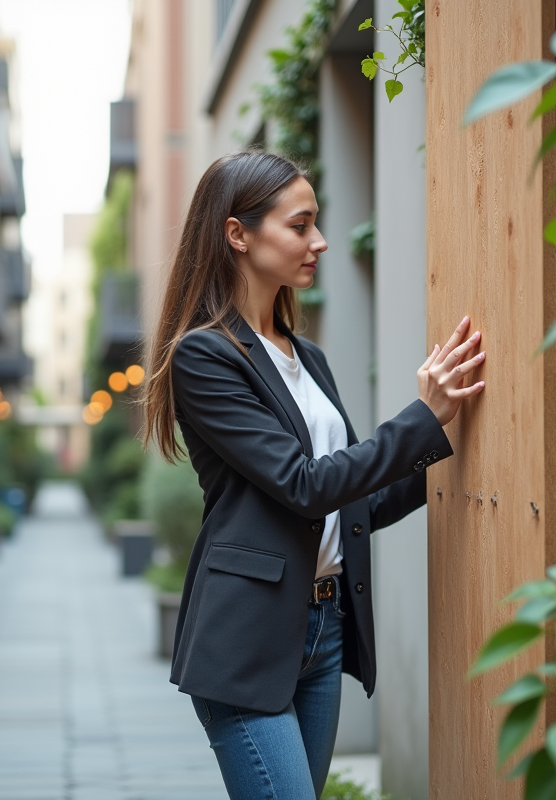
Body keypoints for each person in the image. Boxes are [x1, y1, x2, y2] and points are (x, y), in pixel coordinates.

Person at [141, 150, 485, 800]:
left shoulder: (308, 358)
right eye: (300, 226)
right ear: (237, 234)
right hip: (248, 637)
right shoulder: (204, 356)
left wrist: (453, 438)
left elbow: (356, 502)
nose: (319, 242)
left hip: (324, 627)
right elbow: (305, 484)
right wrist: (421, 419)